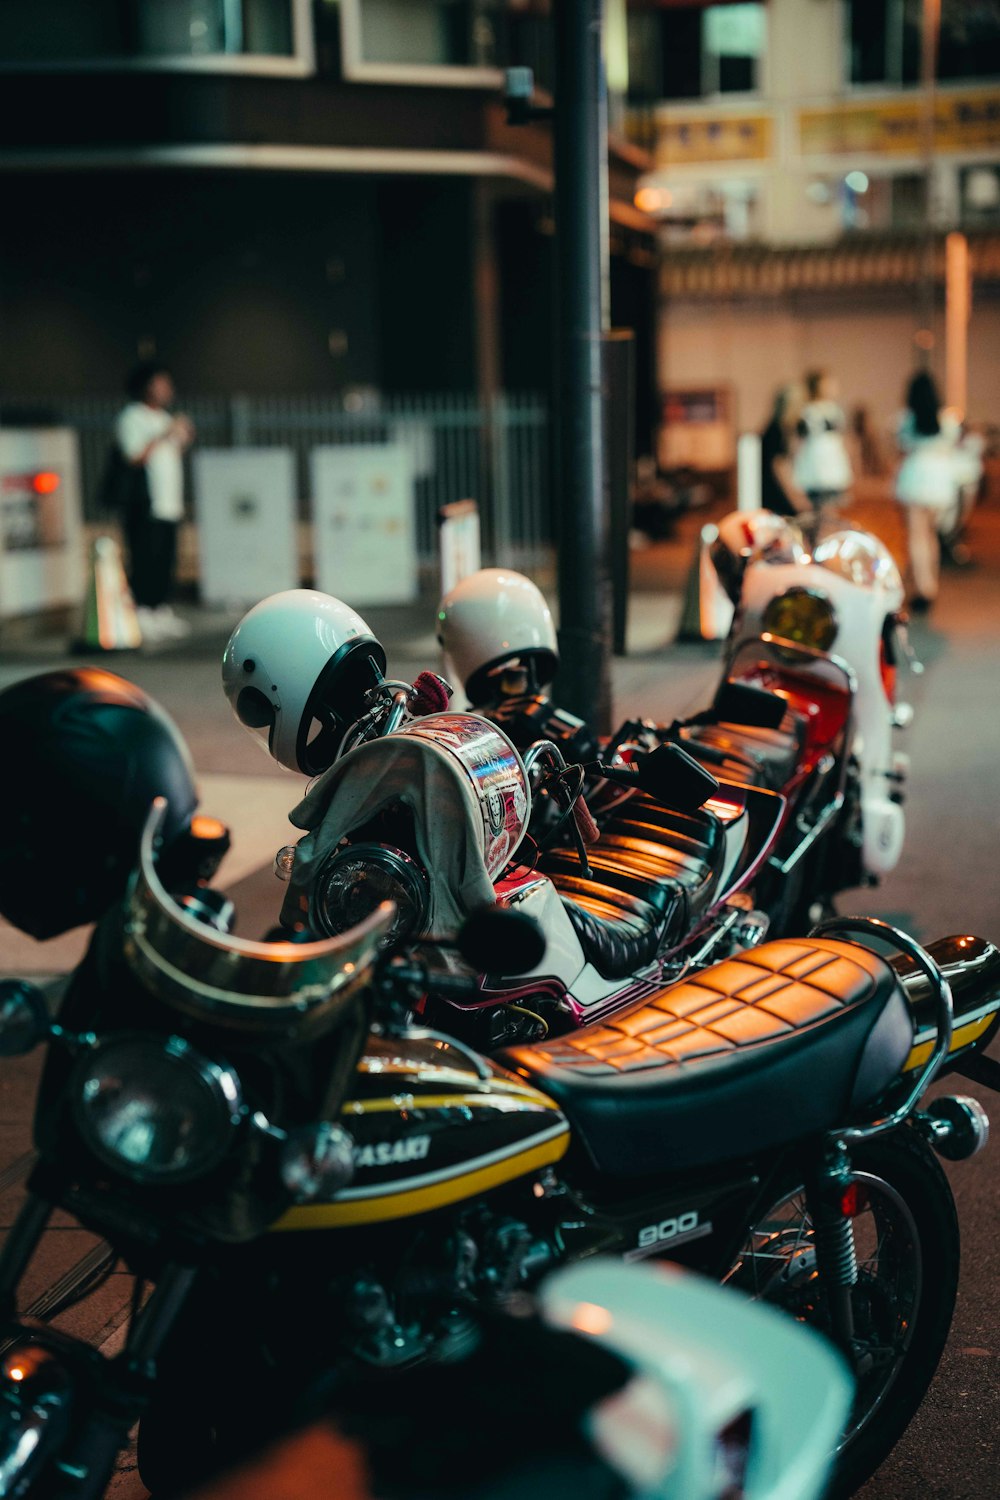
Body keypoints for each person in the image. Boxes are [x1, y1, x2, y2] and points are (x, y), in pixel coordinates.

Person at [114, 362, 194, 640]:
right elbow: (134, 457)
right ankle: (141, 611)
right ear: (147, 385)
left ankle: (159, 608)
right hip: (145, 504)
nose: (167, 389)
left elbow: (170, 455)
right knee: (145, 557)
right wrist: (164, 433)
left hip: (169, 504)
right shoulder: (132, 417)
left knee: (165, 558)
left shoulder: (163, 417)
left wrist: (182, 436)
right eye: (162, 383)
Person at [894, 370, 960, 610]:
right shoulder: (947, 420)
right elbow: (951, 448)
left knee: (916, 535)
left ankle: (923, 586)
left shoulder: (906, 419)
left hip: (914, 476)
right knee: (930, 535)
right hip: (939, 480)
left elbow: (900, 448)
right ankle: (929, 582)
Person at [792, 369, 852, 516]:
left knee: (831, 506)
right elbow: (799, 441)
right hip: (815, 463)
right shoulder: (808, 411)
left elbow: (842, 436)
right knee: (817, 507)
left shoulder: (834, 409)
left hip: (833, 462)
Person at [760, 383, 809, 518]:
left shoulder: (788, 429)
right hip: (777, 502)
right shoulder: (776, 432)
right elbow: (781, 468)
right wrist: (798, 501)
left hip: (782, 499)